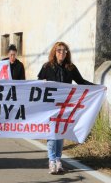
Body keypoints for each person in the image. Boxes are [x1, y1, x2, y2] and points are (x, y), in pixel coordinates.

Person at [38, 41, 93, 174]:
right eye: (59, 50)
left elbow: (81, 82)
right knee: (52, 133)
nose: (61, 53)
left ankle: (58, 159)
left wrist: (97, 87)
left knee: (60, 133)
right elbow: (38, 82)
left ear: (67, 53)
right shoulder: (47, 67)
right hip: (50, 106)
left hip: (64, 107)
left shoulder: (71, 68)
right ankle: (51, 161)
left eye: (64, 51)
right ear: (54, 52)